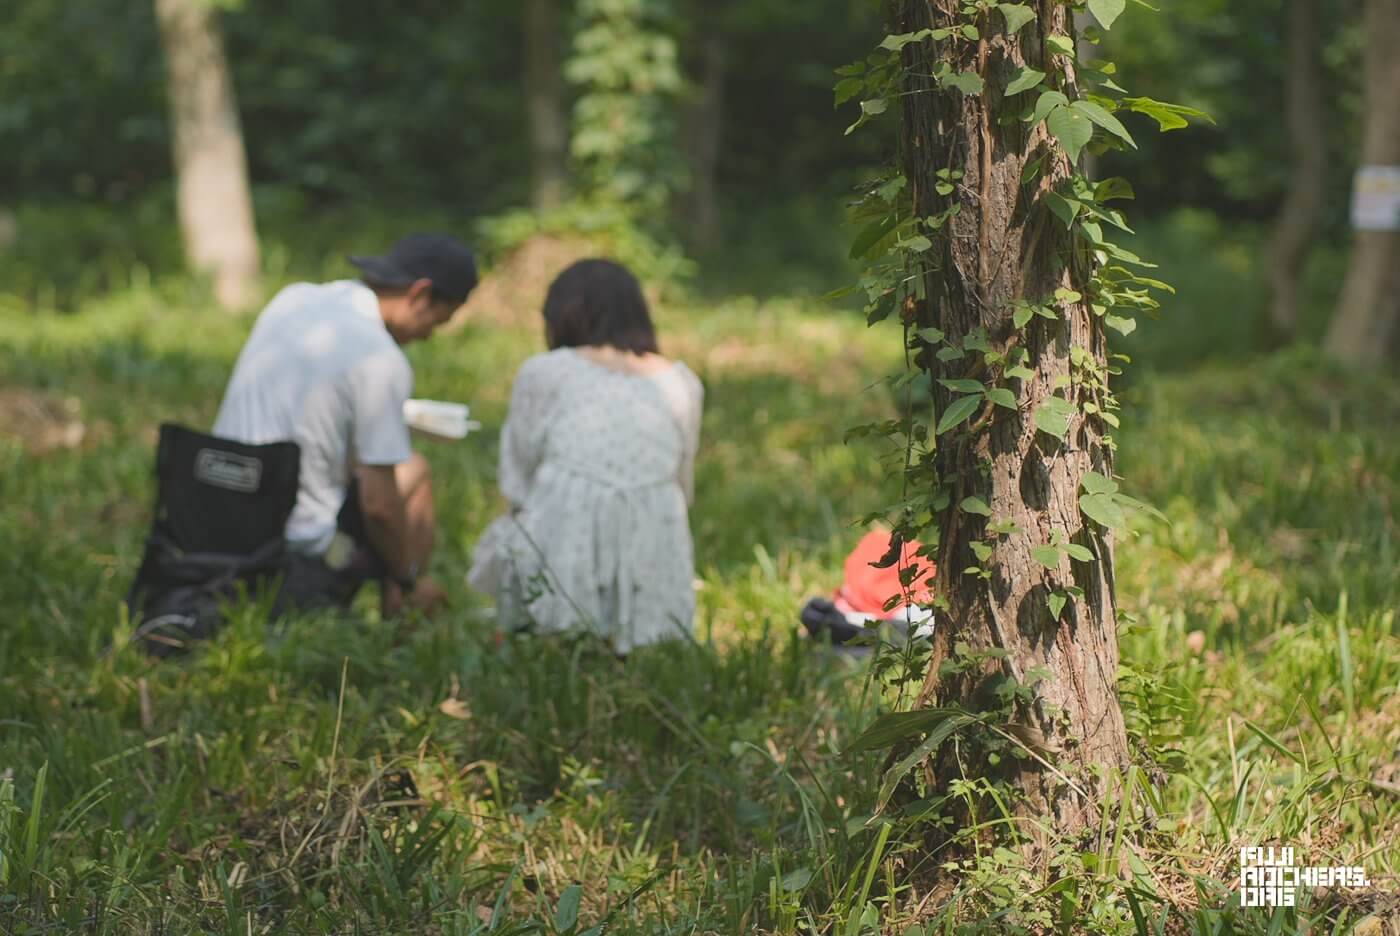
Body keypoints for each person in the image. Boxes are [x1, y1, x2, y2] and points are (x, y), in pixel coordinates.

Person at [212, 232, 478, 617]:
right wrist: (408, 577)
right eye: (436, 322)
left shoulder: (293, 298)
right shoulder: (380, 358)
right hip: (295, 554)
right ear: (419, 294)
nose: (426, 336)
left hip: (216, 519)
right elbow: (379, 507)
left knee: (395, 469)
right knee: (412, 473)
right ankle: (403, 615)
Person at [468, 259, 703, 654]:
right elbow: (681, 477)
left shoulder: (546, 371)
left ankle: (534, 636)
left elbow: (518, 476)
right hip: (655, 527)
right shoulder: (682, 381)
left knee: (517, 527)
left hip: (563, 529)